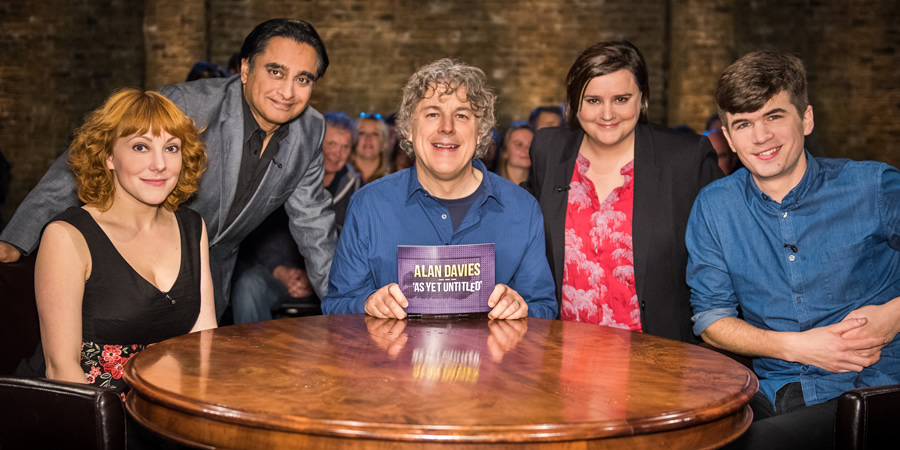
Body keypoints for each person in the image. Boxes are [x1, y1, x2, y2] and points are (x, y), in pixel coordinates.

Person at [0, 19, 337, 321]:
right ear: (246, 69)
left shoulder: (311, 131)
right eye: (275, 72)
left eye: (303, 78)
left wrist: (344, 306)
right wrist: (17, 237)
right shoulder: (188, 105)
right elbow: (83, 159)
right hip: (132, 273)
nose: (288, 92)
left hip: (211, 280)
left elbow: (314, 225)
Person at [687, 51, 900, 449]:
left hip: (872, 389)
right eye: (743, 124)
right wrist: (798, 346)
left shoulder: (873, 186)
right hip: (774, 389)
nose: (760, 136)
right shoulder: (714, 207)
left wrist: (893, 314)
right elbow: (711, 318)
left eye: (774, 116)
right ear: (729, 139)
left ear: (806, 118)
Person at [322, 58, 558, 320]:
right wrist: (367, 304)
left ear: (480, 134)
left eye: (461, 115)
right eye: (433, 113)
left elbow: (544, 310)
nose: (447, 127)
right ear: (409, 129)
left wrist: (523, 309)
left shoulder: (522, 209)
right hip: (391, 360)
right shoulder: (369, 205)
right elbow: (336, 306)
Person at [18, 89, 217, 396]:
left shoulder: (192, 226)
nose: (159, 164)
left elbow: (204, 343)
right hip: (86, 413)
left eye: (171, 148)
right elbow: (61, 369)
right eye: (141, 147)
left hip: (164, 406)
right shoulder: (67, 236)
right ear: (108, 155)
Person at [527, 41, 720, 341]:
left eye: (621, 99)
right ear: (574, 102)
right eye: (592, 100)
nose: (607, 114)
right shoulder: (547, 150)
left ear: (642, 99)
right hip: (563, 359)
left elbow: (726, 247)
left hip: (659, 361)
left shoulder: (685, 159)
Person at [230, 112, 361, 324]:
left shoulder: (357, 189)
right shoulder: (285, 176)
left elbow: (354, 247)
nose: (337, 153)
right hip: (280, 271)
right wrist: (279, 270)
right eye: (332, 143)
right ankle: (251, 353)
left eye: (345, 147)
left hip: (330, 277)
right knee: (248, 286)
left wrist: (315, 276)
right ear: (318, 143)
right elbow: (264, 231)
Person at [350, 113, 389, 183]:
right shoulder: (340, 176)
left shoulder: (393, 180)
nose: (368, 138)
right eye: (362, 133)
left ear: (383, 142)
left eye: (375, 133)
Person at [497, 121, 533, 186]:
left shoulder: (541, 189)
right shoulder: (491, 187)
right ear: (505, 151)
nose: (527, 150)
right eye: (519, 144)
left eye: (531, 145)